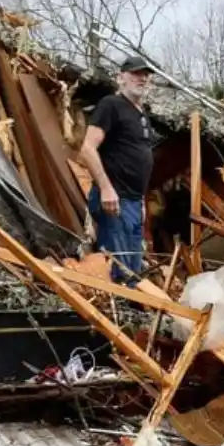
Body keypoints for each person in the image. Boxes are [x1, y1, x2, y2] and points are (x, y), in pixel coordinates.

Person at [79, 56, 160, 287]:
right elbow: (87, 148)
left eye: (146, 75)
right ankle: (115, 308)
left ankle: (130, 308)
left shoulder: (141, 114)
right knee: (118, 271)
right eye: (136, 73)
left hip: (132, 203)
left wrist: (141, 201)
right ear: (120, 77)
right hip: (114, 201)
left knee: (132, 272)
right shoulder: (111, 105)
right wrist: (106, 189)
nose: (142, 79)